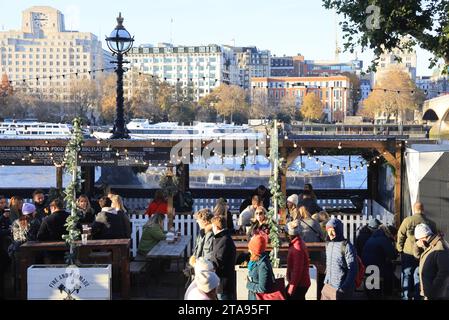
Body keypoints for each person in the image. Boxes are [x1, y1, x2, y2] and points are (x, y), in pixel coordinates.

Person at [396, 202, 437, 300]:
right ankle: (418, 297)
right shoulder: (431, 223)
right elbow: (434, 239)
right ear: (423, 210)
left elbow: (400, 235)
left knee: (406, 276)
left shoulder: (407, 221)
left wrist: (400, 249)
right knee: (419, 277)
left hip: (408, 253)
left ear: (414, 209)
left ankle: (405, 297)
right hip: (423, 255)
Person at [321, 218, 358, 300]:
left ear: (338, 230)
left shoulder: (347, 246)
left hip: (339, 289)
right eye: (328, 230)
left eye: (332, 230)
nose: (330, 233)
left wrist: (343, 288)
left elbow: (353, 270)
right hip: (327, 286)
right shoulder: (328, 244)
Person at [361, 224, 398, 299]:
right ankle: (389, 293)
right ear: (391, 234)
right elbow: (393, 255)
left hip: (366, 265)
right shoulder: (384, 239)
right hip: (376, 266)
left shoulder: (373, 236)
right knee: (390, 272)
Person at [414, 223, 449, 300]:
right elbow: (418, 256)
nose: (418, 242)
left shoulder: (440, 247)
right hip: (430, 293)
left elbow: (445, 272)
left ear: (422, 239)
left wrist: (433, 291)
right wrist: (417, 245)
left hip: (437, 295)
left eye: (418, 240)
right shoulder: (430, 245)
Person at [210, 216, 236, 300]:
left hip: (224, 284)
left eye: (213, 226)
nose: (212, 229)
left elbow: (218, 261)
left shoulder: (225, 240)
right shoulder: (221, 238)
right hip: (221, 282)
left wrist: (205, 264)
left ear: (217, 227)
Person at [286, 220, 311, 300]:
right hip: (299, 283)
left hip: (299, 284)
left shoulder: (297, 247)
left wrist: (291, 288)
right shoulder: (297, 243)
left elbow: (297, 270)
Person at [246, 233, 275, 300]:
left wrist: (249, 284)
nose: (248, 250)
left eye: (250, 248)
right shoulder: (255, 260)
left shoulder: (263, 265)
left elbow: (262, 288)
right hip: (253, 296)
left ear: (255, 251)